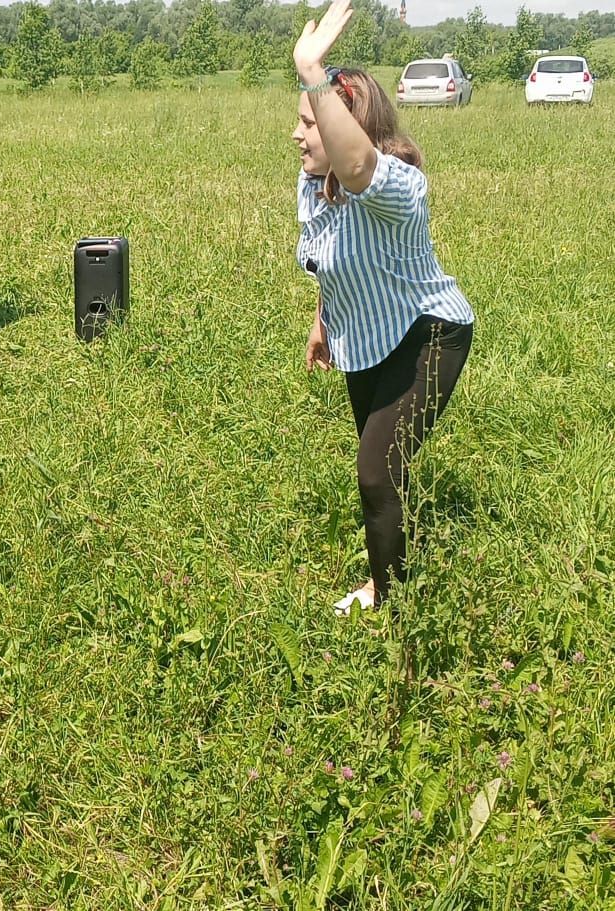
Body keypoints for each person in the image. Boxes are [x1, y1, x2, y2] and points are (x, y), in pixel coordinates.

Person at [292, 0, 474, 614]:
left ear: (349, 122)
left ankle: (389, 603)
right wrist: (322, 321)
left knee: (374, 472)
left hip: (429, 334)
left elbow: (360, 163)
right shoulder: (313, 182)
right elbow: (324, 254)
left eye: (310, 122)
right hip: (363, 337)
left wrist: (313, 72)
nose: (298, 134)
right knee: (385, 468)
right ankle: (393, 565)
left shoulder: (395, 184)